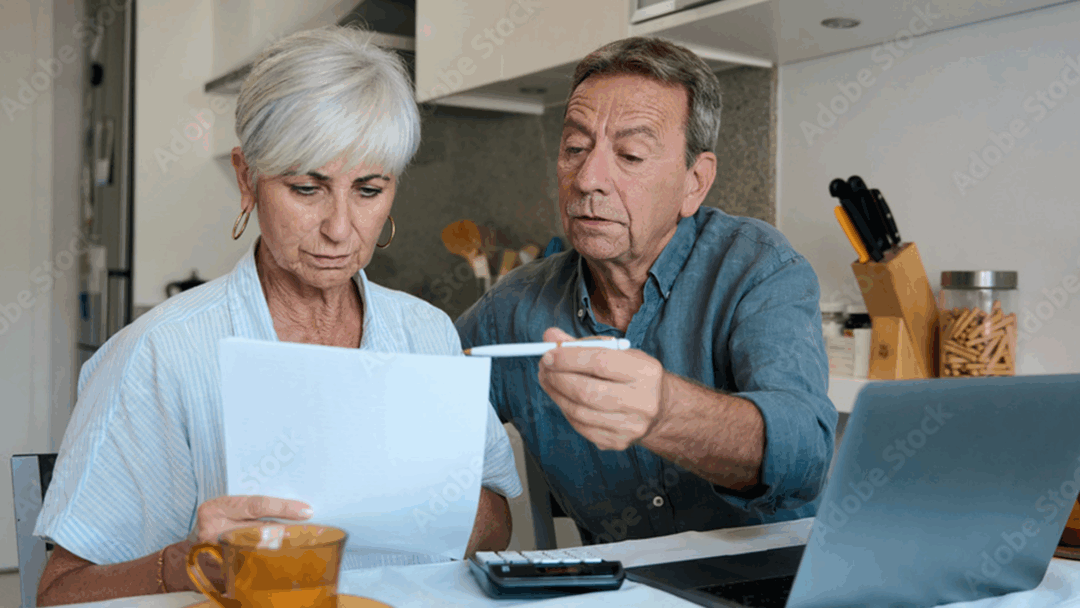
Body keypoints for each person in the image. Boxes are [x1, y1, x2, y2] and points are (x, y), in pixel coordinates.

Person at [34, 26, 521, 605]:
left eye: (368, 190)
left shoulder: (426, 333)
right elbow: (59, 593)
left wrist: (439, 506)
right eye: (306, 188)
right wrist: (192, 562)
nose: (340, 228)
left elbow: (495, 523)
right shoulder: (160, 354)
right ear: (248, 179)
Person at [455, 37, 835, 545]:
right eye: (574, 149)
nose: (588, 178)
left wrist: (665, 412)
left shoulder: (758, 268)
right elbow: (415, 407)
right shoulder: (515, 304)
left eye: (630, 154)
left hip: (769, 583)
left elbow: (805, 453)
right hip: (620, 590)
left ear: (694, 183)